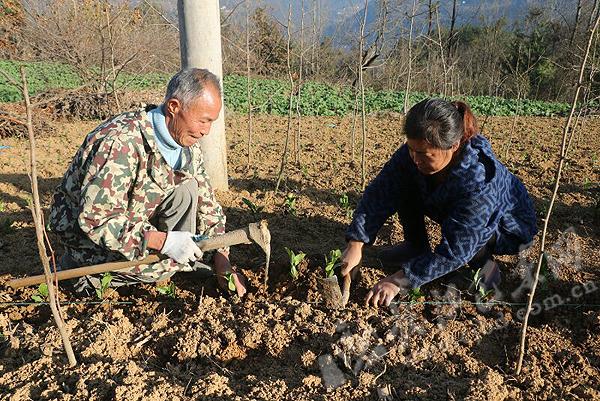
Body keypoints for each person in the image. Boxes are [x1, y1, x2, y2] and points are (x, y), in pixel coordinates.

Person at [49, 68, 246, 297]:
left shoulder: (186, 144)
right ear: (174, 107)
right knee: (160, 269)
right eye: (203, 121)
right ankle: (82, 272)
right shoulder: (121, 142)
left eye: (211, 121)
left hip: (136, 219)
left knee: (188, 188)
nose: (207, 131)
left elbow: (208, 207)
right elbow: (96, 219)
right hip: (88, 238)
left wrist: (222, 262)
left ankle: (172, 259)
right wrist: (162, 241)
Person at [341, 98, 537, 307]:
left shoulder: (479, 180)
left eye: (424, 155)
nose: (415, 159)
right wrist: (356, 242)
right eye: (411, 150)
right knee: (405, 180)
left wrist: (398, 280)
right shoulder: (416, 151)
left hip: (507, 229)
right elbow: (381, 190)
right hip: (452, 206)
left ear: (454, 145)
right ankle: (416, 246)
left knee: (469, 240)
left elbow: (457, 249)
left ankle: (486, 267)